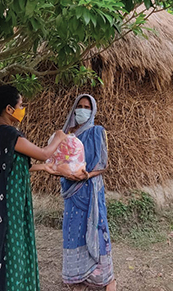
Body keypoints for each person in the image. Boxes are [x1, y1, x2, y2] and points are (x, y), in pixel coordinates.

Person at [0, 84, 66, 291]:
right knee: (13, 246)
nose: (23, 109)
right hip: (9, 202)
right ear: (9, 109)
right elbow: (43, 152)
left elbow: (5, 166)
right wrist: (59, 138)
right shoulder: (9, 134)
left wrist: (43, 168)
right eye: (21, 105)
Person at [60, 94, 116, 291]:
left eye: (87, 107)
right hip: (71, 193)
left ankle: (105, 278)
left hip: (91, 190)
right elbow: (58, 161)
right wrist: (65, 172)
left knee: (96, 228)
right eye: (80, 106)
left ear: (93, 111)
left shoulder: (97, 132)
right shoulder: (66, 133)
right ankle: (78, 276)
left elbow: (103, 164)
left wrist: (86, 175)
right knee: (73, 230)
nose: (82, 110)